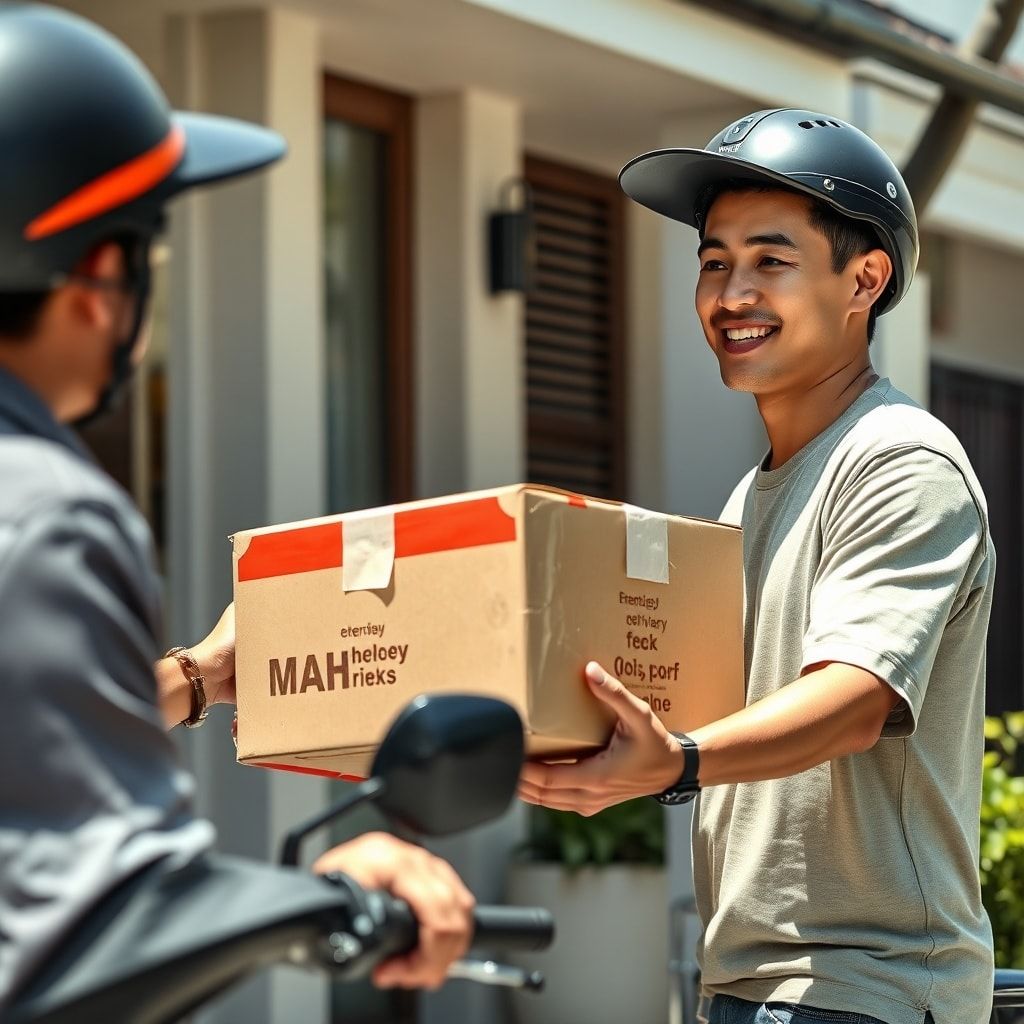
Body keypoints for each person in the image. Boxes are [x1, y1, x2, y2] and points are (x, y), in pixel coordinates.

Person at [0, 5, 472, 1010]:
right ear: (95, 281)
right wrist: (334, 899)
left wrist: (202, 676)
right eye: (145, 262)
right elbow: (101, 924)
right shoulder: (45, 514)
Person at [521, 108, 995, 1024]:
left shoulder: (899, 459)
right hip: (756, 983)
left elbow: (855, 700)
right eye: (712, 262)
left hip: (865, 989)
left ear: (864, 280)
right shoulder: (752, 496)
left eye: (770, 261)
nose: (731, 293)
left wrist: (677, 764)